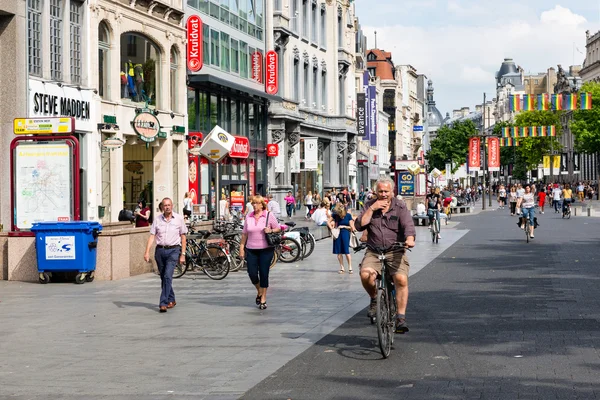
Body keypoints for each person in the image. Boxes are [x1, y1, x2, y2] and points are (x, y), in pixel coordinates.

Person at [354, 177, 416, 334]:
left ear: (392, 192)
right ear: (375, 191)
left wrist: (409, 239)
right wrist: (372, 208)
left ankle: (401, 318)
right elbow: (360, 225)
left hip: (395, 250)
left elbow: (408, 225)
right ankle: (375, 298)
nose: (383, 194)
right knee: (365, 275)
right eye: (380, 191)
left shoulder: (400, 206)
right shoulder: (369, 205)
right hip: (374, 251)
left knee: (401, 279)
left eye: (386, 191)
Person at [144, 198, 187, 313]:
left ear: (172, 206)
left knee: (168, 276)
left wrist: (182, 254)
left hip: (173, 250)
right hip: (160, 251)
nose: (167, 207)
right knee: (163, 276)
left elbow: (183, 237)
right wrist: (147, 251)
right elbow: (152, 236)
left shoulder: (178, 219)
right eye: (165, 205)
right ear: (162, 207)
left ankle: (163, 302)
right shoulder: (157, 220)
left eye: (169, 205)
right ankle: (171, 298)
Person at [239, 195, 281, 310]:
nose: (254, 205)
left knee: (263, 272)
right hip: (251, 249)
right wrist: (241, 248)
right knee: (252, 273)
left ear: (262, 204)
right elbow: (244, 234)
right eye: (253, 203)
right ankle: (259, 291)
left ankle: (263, 298)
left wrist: (270, 230)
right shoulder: (249, 216)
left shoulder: (268, 215)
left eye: (256, 203)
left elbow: (278, 228)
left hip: (266, 249)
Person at [328, 203, 355, 274]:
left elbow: (352, 228)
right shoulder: (336, 215)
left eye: (341, 214)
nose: (341, 216)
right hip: (337, 233)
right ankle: (342, 267)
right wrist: (332, 229)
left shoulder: (348, 216)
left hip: (345, 233)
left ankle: (350, 267)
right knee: (339, 252)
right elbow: (328, 221)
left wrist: (344, 226)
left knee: (346, 251)